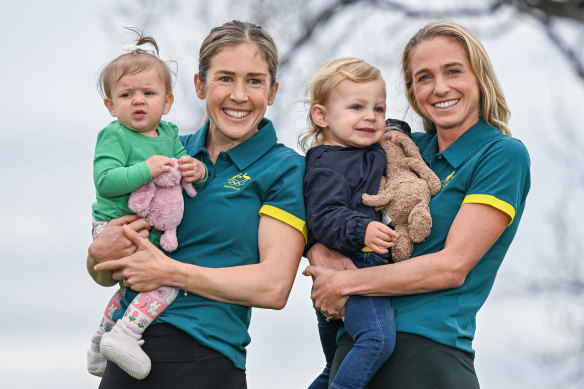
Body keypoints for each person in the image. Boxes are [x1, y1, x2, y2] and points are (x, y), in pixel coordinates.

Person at [303, 20, 531, 389]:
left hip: (426, 356)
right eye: (423, 77)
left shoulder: (501, 154)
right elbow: (324, 188)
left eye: (453, 71)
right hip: (356, 347)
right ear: (412, 91)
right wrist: (316, 248)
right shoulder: (400, 149)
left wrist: (346, 282)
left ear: (479, 77)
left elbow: (451, 267)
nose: (439, 88)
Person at [86, 20, 307, 389]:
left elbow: (273, 286)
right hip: (125, 352)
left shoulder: (284, 169)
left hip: (205, 358)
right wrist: (96, 256)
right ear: (199, 85)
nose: (239, 95)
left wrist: (171, 273)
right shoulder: (169, 153)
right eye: (225, 78)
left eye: (254, 80)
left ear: (272, 92)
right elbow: (105, 268)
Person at [87, 30, 207, 380]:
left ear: (167, 102)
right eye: (126, 95)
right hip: (115, 226)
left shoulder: (169, 134)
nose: (138, 101)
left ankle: (100, 338)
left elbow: (185, 171)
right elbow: (105, 181)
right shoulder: (115, 135)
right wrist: (146, 169)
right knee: (166, 283)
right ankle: (125, 336)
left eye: (148, 93)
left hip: (149, 230)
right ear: (111, 105)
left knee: (134, 286)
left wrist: (195, 170)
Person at [301, 57, 401, 389]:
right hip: (355, 264)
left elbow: (392, 137)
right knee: (377, 340)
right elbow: (324, 217)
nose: (371, 117)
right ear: (322, 116)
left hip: (352, 267)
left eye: (379, 109)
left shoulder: (362, 149)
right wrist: (362, 230)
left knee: (334, 365)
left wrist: (397, 133)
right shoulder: (328, 164)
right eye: (357, 107)